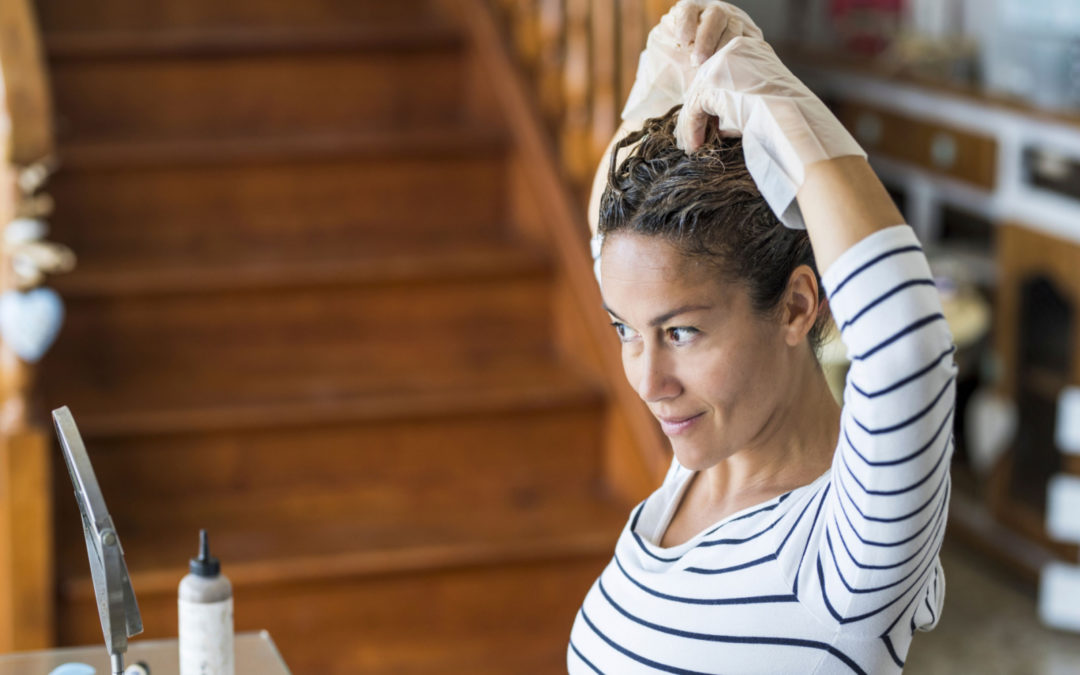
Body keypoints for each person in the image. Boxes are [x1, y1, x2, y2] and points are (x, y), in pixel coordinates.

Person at [568, 2, 956, 673]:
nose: (648, 382)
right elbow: (620, 253)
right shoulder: (703, 463)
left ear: (797, 306)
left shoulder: (847, 556)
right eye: (626, 332)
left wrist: (779, 101)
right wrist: (664, 73)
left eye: (681, 333)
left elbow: (908, 346)